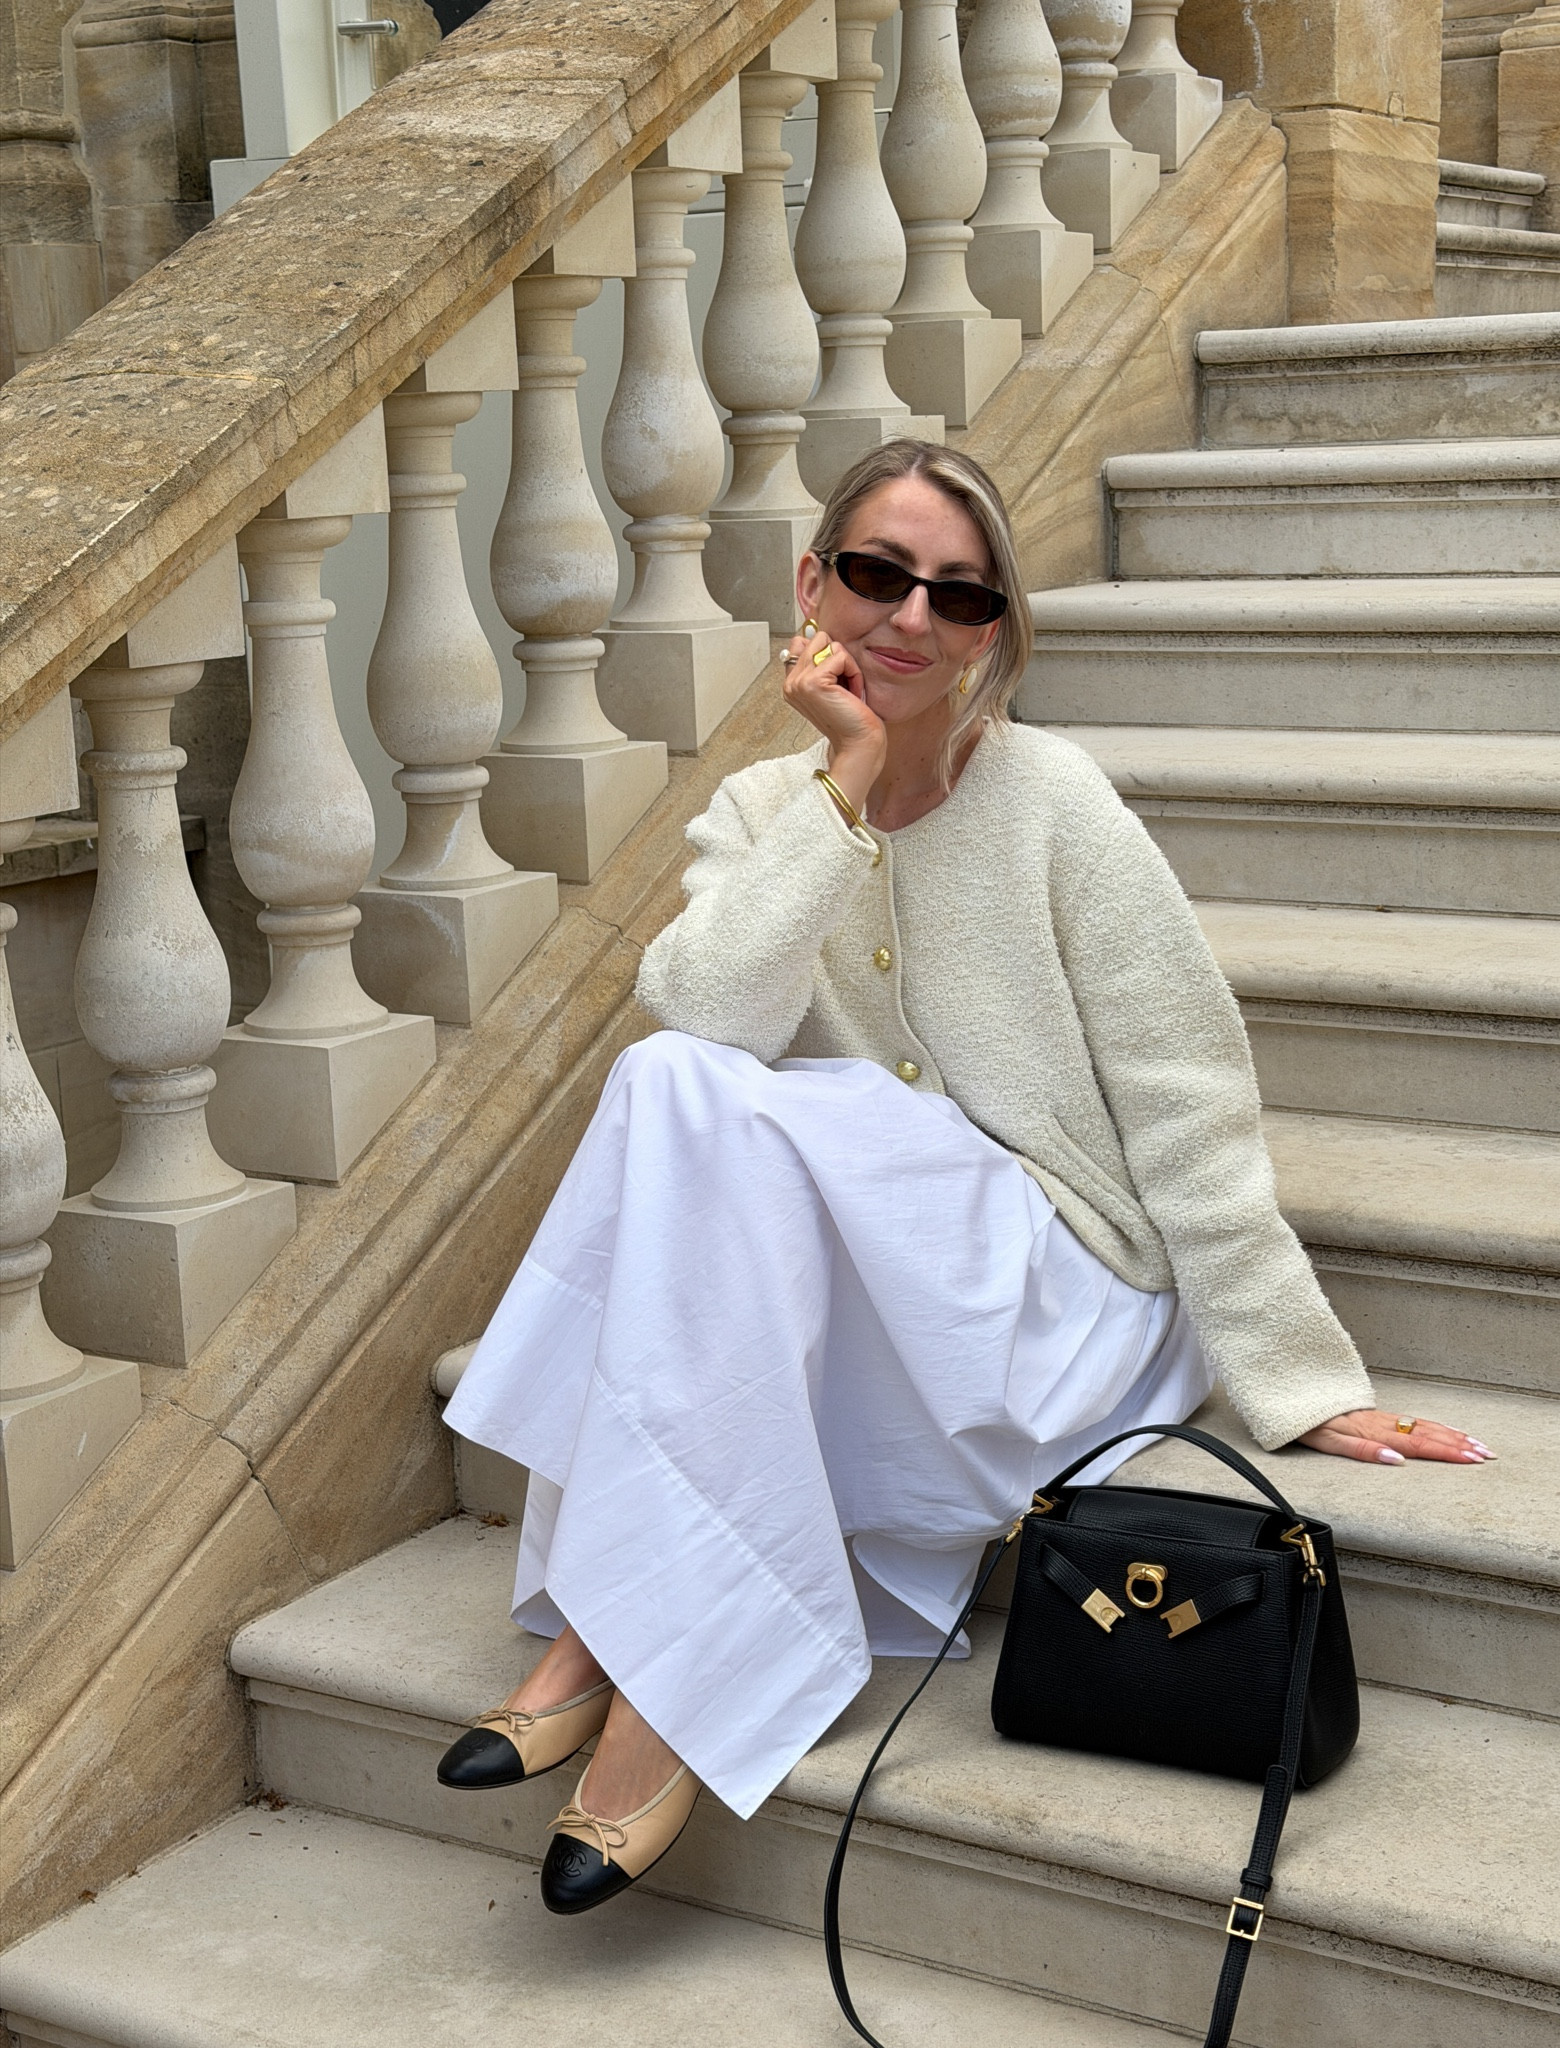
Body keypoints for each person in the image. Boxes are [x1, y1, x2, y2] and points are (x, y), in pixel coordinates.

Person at [441, 440, 1492, 1917]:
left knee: (705, 1106)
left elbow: (1185, 1099)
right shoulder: (764, 811)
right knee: (675, 1079)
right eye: (873, 575)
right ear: (811, 586)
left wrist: (1301, 1379)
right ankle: (645, 1675)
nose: (910, 619)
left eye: (959, 594)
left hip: (1055, 1304)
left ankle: (611, 1660)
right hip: (882, 1312)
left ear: (997, 628)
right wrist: (844, 786)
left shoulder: (1055, 800)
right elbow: (708, 1012)